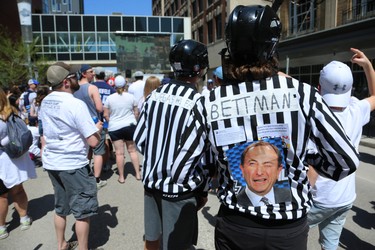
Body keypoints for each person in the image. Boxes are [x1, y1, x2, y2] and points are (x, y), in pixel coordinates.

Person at [180, 5, 359, 249]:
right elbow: (345, 161)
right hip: (287, 229)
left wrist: (215, 176)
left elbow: (188, 164)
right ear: (272, 46)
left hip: (236, 225)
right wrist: (304, 158)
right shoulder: (302, 94)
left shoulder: (208, 101)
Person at [134, 39, 212, 250]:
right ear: (200, 68)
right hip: (179, 188)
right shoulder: (198, 103)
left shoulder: (154, 96)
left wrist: (158, 160)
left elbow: (140, 140)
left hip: (152, 184)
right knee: (178, 244)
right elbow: (196, 151)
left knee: (152, 239)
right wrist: (203, 189)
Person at [306, 48, 375, 250]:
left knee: (293, 238)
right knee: (331, 245)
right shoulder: (356, 108)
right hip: (345, 198)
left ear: (319, 87)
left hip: (318, 199)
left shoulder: (314, 114)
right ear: (351, 89)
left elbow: (312, 171)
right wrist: (368, 66)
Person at [39, 62, 102, 250]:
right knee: (82, 212)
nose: (77, 79)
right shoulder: (75, 103)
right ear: (66, 82)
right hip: (72, 163)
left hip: (53, 161)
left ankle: (62, 244)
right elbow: (93, 142)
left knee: (60, 208)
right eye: (74, 77)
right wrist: (96, 130)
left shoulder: (46, 101)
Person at [0, 87, 36, 239]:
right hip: (16, 158)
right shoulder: (11, 111)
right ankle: (24, 218)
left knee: (2, 196)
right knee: (18, 189)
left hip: (3, 160)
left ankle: (2, 227)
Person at [74, 64, 107, 189]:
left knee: (85, 150)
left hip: (80, 124)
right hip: (94, 123)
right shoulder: (92, 88)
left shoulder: (74, 88)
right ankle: (96, 179)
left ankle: (84, 176)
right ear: (84, 73)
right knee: (98, 151)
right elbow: (99, 108)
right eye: (91, 71)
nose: (93, 73)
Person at [103, 75, 141, 183]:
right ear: (125, 85)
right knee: (132, 151)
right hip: (129, 125)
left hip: (115, 127)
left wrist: (113, 122)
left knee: (119, 153)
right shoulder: (131, 97)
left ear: (114, 85)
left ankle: (121, 177)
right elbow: (136, 112)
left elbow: (106, 115)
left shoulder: (109, 98)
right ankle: (138, 174)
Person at [236, 141, 292, 207]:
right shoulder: (233, 202)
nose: (259, 172)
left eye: (267, 165)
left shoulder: (291, 196)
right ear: (242, 169)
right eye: (252, 164)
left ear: (278, 171)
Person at [92, 66, 116, 171]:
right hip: (105, 120)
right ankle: (105, 163)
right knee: (105, 141)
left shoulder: (91, 87)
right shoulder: (110, 89)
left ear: (95, 75)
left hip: (92, 119)